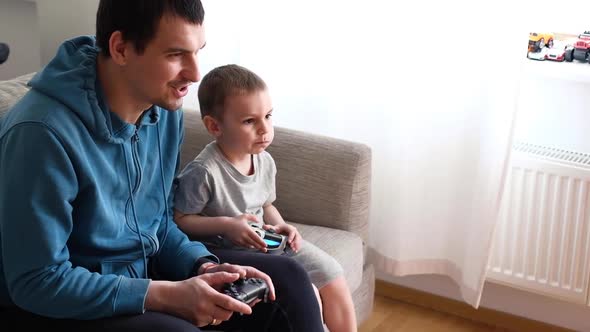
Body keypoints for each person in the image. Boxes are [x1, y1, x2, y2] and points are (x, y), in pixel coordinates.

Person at [0, 1, 324, 331]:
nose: (196, 74)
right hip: (62, 304)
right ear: (121, 48)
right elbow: (36, 282)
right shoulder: (40, 134)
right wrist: (164, 295)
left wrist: (200, 265)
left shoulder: (164, 112)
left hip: (142, 273)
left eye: (198, 51)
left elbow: (159, 223)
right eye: (175, 55)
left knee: (287, 280)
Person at [173, 64, 358, 332]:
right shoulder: (204, 171)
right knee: (307, 294)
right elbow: (180, 219)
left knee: (332, 273)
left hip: (267, 241)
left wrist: (282, 226)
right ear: (215, 126)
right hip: (229, 250)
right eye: (250, 121)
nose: (264, 129)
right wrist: (227, 225)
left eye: (268, 116)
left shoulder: (264, 160)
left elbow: (266, 204)